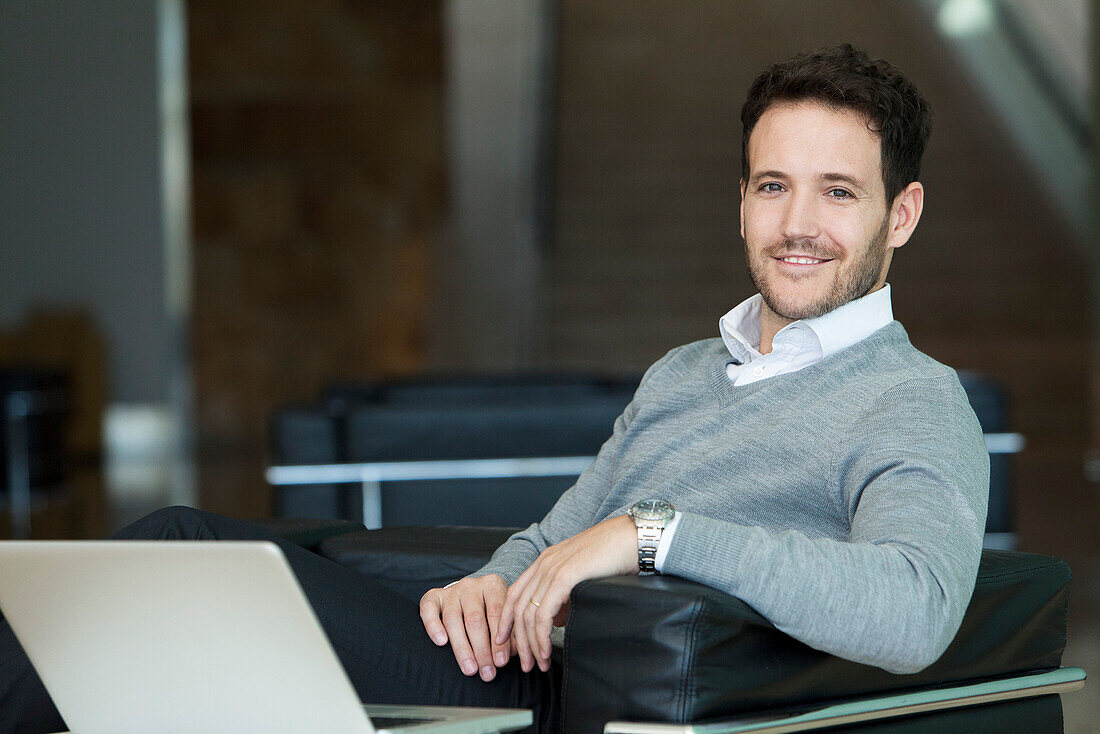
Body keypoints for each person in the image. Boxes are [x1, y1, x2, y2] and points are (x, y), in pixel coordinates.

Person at [0, 44, 988, 734]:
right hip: (505, 659)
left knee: (182, 562)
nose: (795, 222)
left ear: (900, 213)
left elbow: (912, 608)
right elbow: (549, 538)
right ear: (739, 199)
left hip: (585, 698)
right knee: (156, 605)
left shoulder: (909, 399)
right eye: (772, 185)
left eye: (837, 190)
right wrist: (491, 579)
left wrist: (656, 531)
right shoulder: (688, 369)